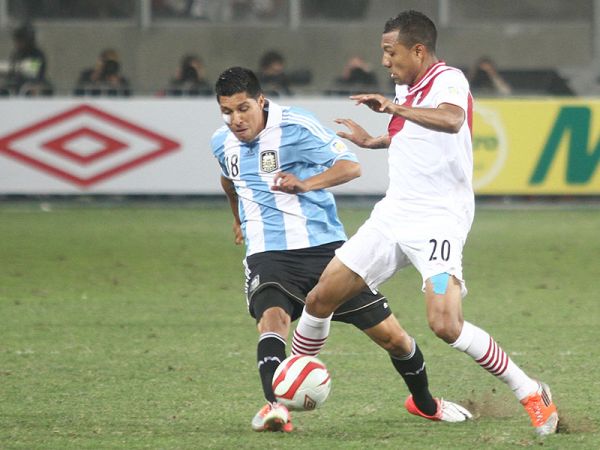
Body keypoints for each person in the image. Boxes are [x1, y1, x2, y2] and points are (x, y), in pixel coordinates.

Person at [291, 10, 559, 436]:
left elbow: (451, 120)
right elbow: (410, 134)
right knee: (321, 297)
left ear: (418, 50)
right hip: (394, 212)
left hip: (438, 219)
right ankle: (286, 395)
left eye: (389, 51)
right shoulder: (405, 85)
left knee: (445, 324)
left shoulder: (447, 79)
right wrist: (373, 140)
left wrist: (394, 106)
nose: (384, 61)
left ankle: (530, 391)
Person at [211, 66, 472, 433]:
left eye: (243, 109)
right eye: (227, 111)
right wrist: (238, 219)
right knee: (273, 321)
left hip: (325, 251)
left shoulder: (296, 126)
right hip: (268, 254)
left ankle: (426, 403)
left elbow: (350, 167)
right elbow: (228, 177)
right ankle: (276, 407)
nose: (235, 120)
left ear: (261, 101)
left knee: (394, 339)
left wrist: (305, 184)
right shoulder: (220, 142)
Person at [0, 23, 52, 96]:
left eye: (20, 40)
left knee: (29, 90)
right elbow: (10, 69)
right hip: (16, 84)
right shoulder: (16, 54)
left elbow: (31, 69)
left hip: (33, 83)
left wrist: (11, 68)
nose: (17, 44)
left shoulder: (37, 54)